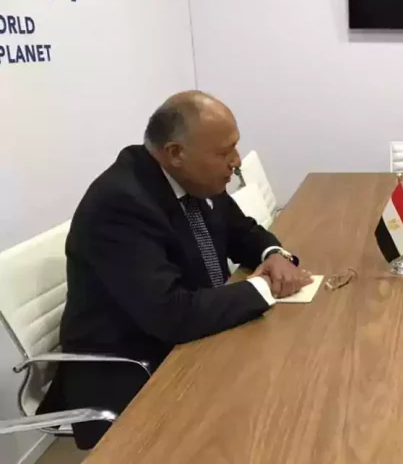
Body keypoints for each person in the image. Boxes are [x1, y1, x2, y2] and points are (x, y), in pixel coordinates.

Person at [38, 91, 312, 449]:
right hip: (136, 366)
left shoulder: (194, 178)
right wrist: (264, 288)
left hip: (191, 336)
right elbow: (172, 314)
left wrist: (273, 254)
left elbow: (241, 231)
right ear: (175, 153)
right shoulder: (121, 204)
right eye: (224, 152)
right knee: (259, 425)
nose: (236, 162)